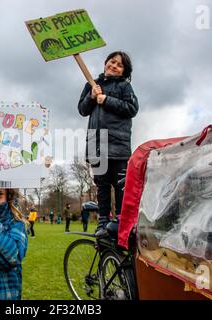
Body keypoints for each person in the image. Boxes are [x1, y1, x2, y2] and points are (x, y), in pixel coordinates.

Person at [78, 51, 139, 237]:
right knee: (102, 186)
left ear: (123, 71)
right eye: (112, 62)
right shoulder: (91, 85)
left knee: (121, 186)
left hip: (118, 146)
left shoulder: (124, 87)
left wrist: (106, 100)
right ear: (106, 62)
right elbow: (82, 109)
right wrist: (91, 96)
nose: (114, 66)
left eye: (119, 65)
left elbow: (132, 108)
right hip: (97, 145)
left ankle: (122, 222)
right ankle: (103, 221)